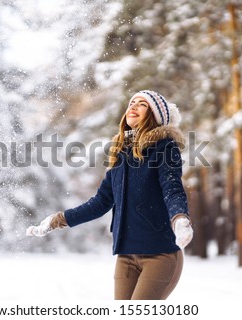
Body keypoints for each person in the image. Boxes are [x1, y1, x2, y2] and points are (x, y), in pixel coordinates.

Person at [26, 90, 193, 300]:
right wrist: (57, 220)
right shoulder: (121, 154)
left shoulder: (164, 148)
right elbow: (100, 203)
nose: (133, 106)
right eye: (132, 102)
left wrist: (180, 219)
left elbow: (172, 188)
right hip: (126, 256)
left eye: (142, 104)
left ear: (155, 115)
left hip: (160, 254)